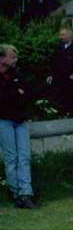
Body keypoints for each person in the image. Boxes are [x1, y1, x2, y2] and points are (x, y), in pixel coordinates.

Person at [0, 45, 36, 209]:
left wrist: (16, 95)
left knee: (24, 157)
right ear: (2, 59)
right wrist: (17, 94)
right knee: (11, 159)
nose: (15, 60)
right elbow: (3, 100)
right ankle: (16, 194)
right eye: (12, 57)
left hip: (20, 120)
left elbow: (29, 93)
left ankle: (26, 193)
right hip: (4, 121)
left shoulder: (17, 74)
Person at [46, 27, 73, 116]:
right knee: (60, 99)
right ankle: (62, 115)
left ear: (69, 35)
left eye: (63, 35)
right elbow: (53, 62)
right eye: (60, 35)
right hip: (60, 79)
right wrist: (50, 75)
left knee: (72, 99)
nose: (60, 37)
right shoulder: (59, 47)